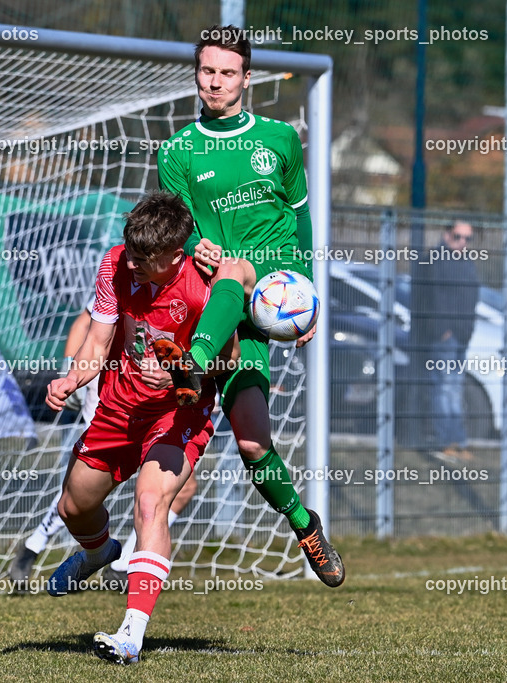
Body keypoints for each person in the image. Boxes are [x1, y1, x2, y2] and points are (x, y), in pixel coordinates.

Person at [155, 25, 344, 588]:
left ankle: (304, 527)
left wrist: (306, 294)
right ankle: (99, 542)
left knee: (252, 442)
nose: (215, 82)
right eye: (207, 71)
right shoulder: (178, 151)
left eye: (227, 73)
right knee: (241, 446)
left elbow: (303, 217)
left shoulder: (280, 138)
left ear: (246, 77)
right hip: (209, 297)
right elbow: (178, 229)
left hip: (269, 295)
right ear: (197, 73)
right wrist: (193, 245)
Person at [44, 191, 236, 665]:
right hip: (118, 408)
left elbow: (229, 358)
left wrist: (182, 373)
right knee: (74, 507)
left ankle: (131, 634)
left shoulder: (202, 287)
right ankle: (96, 553)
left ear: (176, 255)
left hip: (178, 414)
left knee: (151, 504)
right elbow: (98, 338)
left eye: (143, 259)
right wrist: (72, 377)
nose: (131, 264)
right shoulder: (115, 263)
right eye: (129, 252)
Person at [8, 301, 197, 592]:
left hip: (160, 405)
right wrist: (71, 373)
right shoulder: (125, 270)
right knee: (80, 493)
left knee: (179, 488)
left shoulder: (194, 280)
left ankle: (120, 568)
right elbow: (85, 324)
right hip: (113, 399)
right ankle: (36, 545)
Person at [412, 221, 480, 463]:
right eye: (458, 236)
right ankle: (446, 442)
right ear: (447, 234)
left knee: (454, 389)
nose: (462, 242)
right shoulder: (436, 260)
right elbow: (431, 296)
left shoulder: (465, 262)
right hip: (445, 337)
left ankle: (457, 442)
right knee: (444, 389)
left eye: (467, 239)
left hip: (460, 336)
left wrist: (466, 330)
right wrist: (442, 330)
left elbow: (470, 297)